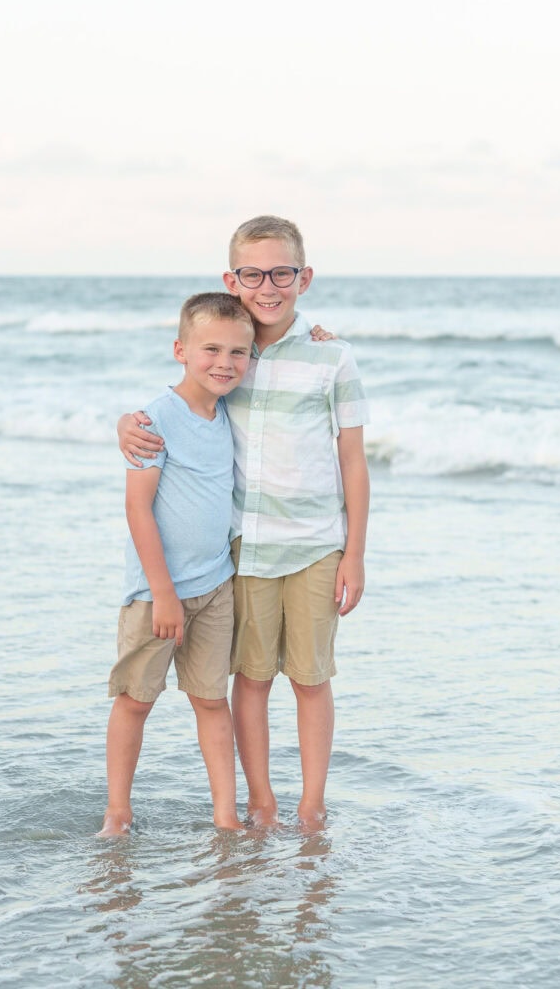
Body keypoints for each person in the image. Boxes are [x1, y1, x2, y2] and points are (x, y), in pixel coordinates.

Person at [119, 216, 369, 831]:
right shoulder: (232, 351)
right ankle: (262, 801)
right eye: (253, 274)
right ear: (233, 279)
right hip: (246, 548)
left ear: (303, 278)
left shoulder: (330, 355)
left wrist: (356, 554)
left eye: (282, 273)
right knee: (250, 680)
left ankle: (311, 804)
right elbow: (184, 400)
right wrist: (126, 424)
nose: (268, 286)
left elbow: (353, 459)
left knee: (310, 679)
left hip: (315, 547)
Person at [99, 292, 255, 837]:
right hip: (154, 592)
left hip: (215, 586)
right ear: (180, 350)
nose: (225, 362)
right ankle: (118, 811)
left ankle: (225, 815)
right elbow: (137, 508)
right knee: (135, 700)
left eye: (239, 352)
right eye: (210, 348)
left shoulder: (230, 412)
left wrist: (319, 335)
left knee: (212, 700)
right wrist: (163, 592)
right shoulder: (153, 420)